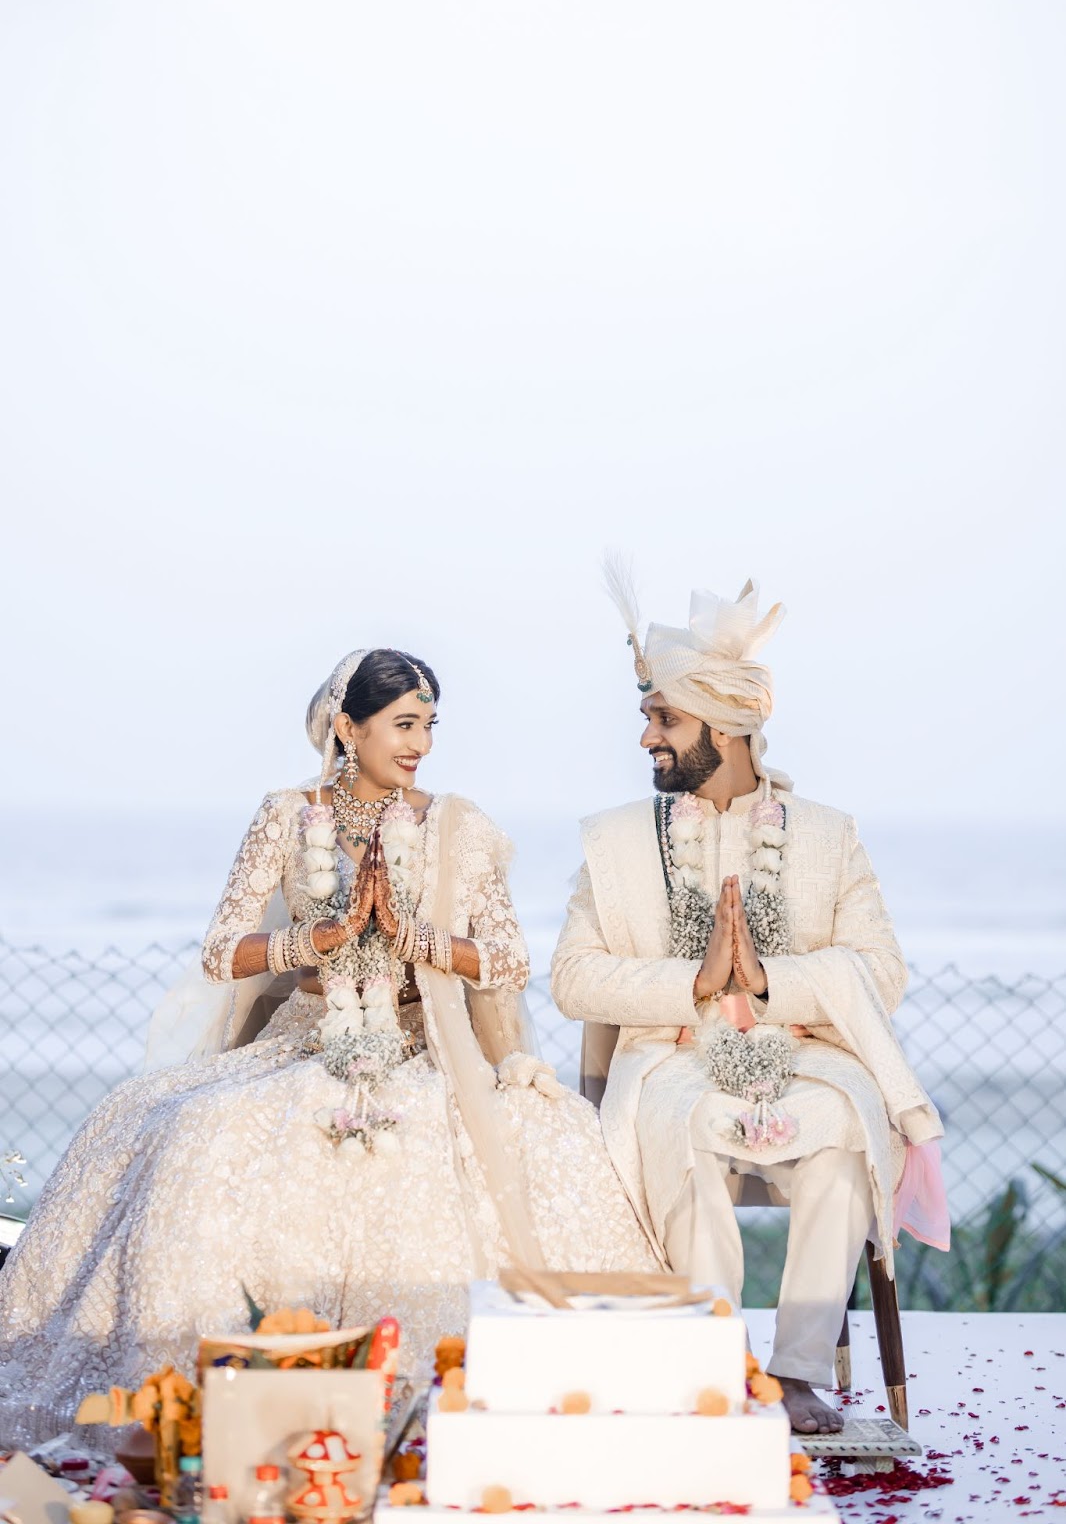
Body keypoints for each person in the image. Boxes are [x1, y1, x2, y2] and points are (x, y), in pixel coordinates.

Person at [0, 647, 656, 1448]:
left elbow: (511, 961)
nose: (420, 745)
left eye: (429, 726)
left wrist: (415, 939)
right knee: (187, 1131)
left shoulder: (460, 825)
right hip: (305, 1041)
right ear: (348, 727)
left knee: (546, 1142)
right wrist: (324, 937)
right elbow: (220, 952)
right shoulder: (286, 814)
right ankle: (216, 1384)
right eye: (403, 725)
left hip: (422, 1047)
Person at [551, 570, 948, 1435]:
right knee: (685, 1130)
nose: (648, 738)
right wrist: (692, 982)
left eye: (665, 719)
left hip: (803, 1051)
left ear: (726, 726)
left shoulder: (826, 836)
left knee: (849, 1129)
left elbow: (882, 972)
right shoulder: (616, 843)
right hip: (676, 1058)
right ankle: (712, 1359)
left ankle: (798, 1370)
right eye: (648, 718)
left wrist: (770, 980)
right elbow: (573, 977)